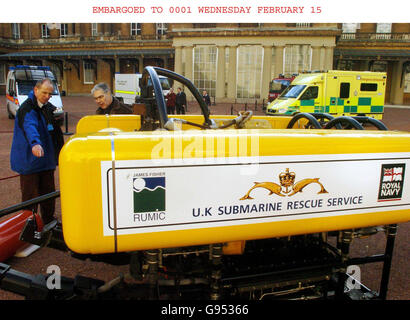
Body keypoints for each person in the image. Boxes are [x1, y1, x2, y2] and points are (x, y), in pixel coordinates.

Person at [10, 78, 64, 225]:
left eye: (50, 94)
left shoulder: (47, 107)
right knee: (30, 196)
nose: (47, 96)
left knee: (48, 194)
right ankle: (29, 224)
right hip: (30, 162)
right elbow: (30, 126)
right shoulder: (27, 109)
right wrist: (35, 143)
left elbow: (53, 130)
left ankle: (48, 220)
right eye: (44, 92)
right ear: (36, 90)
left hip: (46, 161)